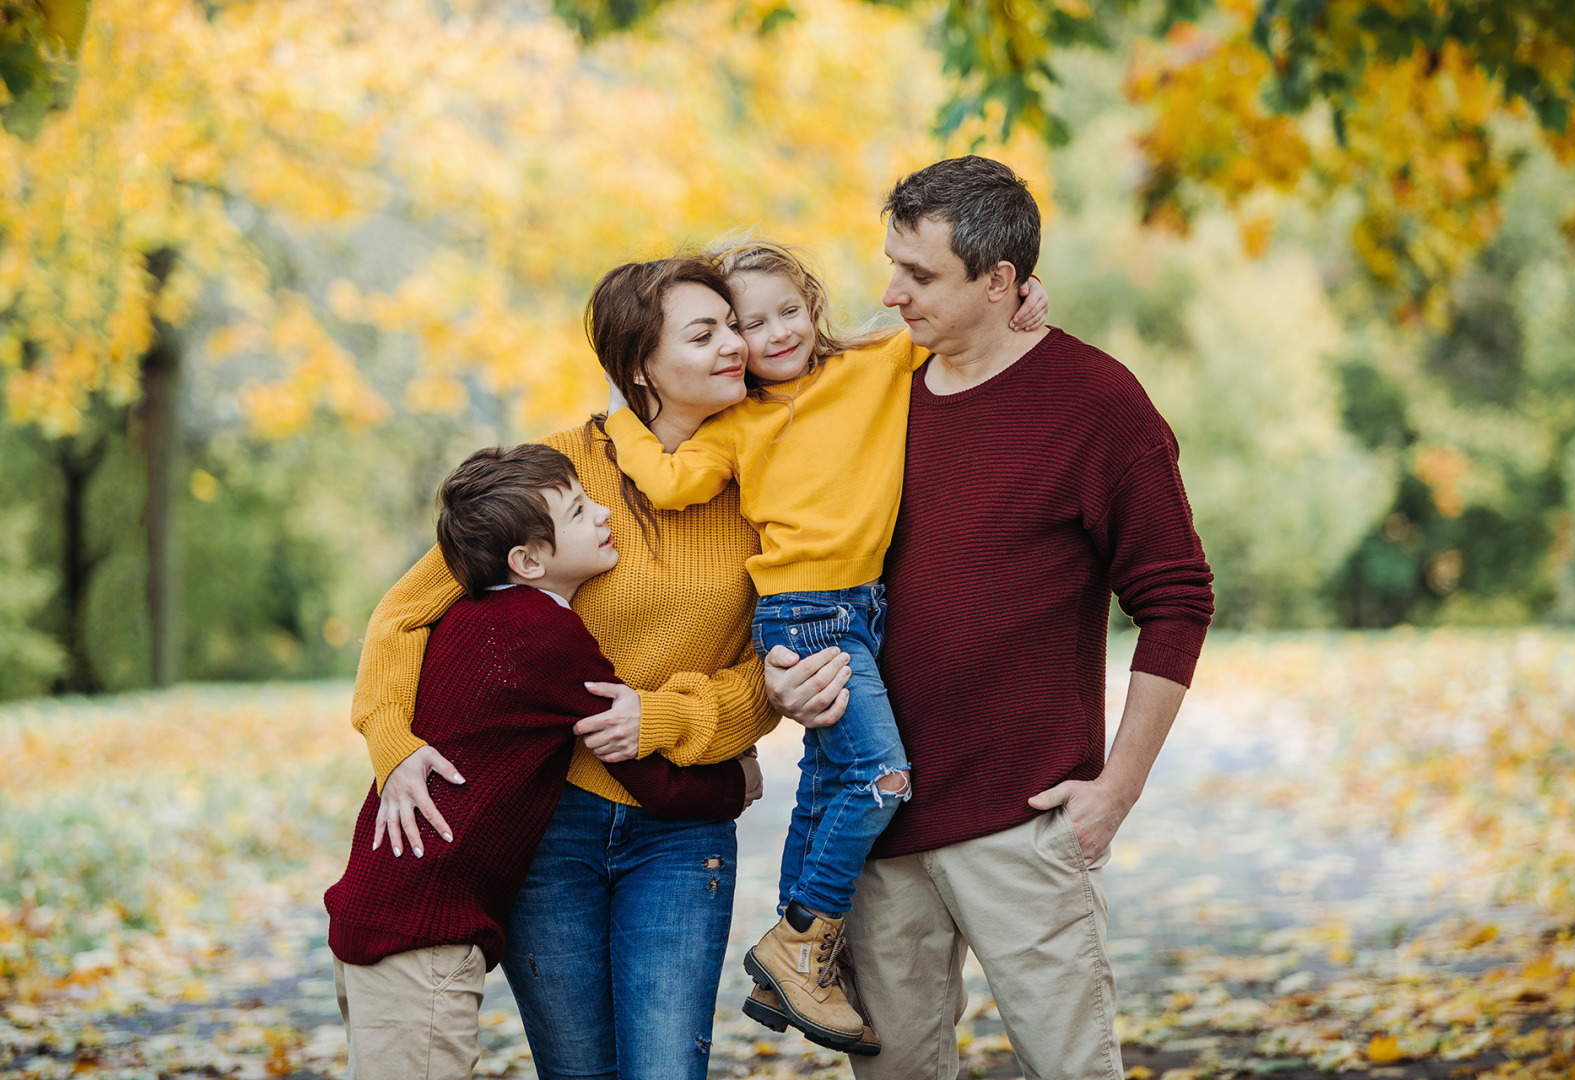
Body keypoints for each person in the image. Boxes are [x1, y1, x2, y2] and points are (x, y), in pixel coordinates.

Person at [763, 156, 1217, 1080]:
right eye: (890, 264)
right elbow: (789, 558)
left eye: (919, 275)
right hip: (878, 833)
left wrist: (1116, 790)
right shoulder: (873, 392)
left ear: (1002, 282)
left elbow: (1175, 598)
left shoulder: (1096, 402)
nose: (890, 294)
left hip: (1025, 827)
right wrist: (778, 673)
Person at [601, 239, 1048, 1054]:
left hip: (866, 608)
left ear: (814, 308)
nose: (771, 334)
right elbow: (667, 481)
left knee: (826, 779)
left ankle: (792, 956)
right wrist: (616, 425)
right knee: (882, 779)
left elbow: (956, 323)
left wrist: (1022, 302)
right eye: (746, 323)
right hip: (803, 616)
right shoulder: (737, 424)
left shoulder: (873, 366)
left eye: (787, 312)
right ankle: (804, 937)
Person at [347, 257, 780, 1080]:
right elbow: (403, 615)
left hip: (682, 830)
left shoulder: (772, 477)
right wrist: (392, 744)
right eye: (707, 331)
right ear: (640, 365)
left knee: (665, 1070)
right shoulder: (555, 478)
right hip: (553, 827)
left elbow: (776, 667)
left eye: (734, 325)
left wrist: (673, 720)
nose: (737, 343)